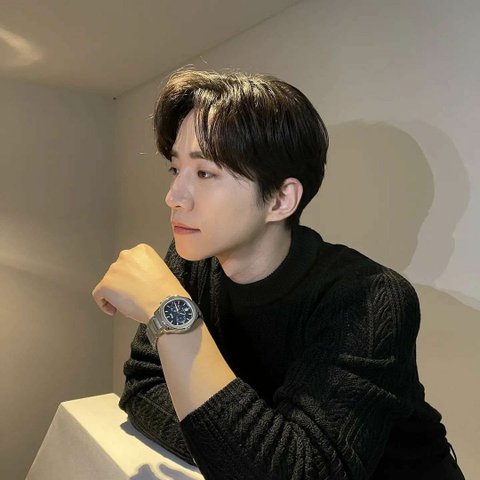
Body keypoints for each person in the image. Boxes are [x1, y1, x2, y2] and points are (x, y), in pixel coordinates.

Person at [92, 67, 465, 479]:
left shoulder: (369, 299)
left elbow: (302, 472)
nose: (174, 197)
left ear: (280, 200)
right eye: (175, 169)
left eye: (205, 173)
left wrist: (170, 310)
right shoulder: (191, 263)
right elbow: (144, 386)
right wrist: (237, 450)